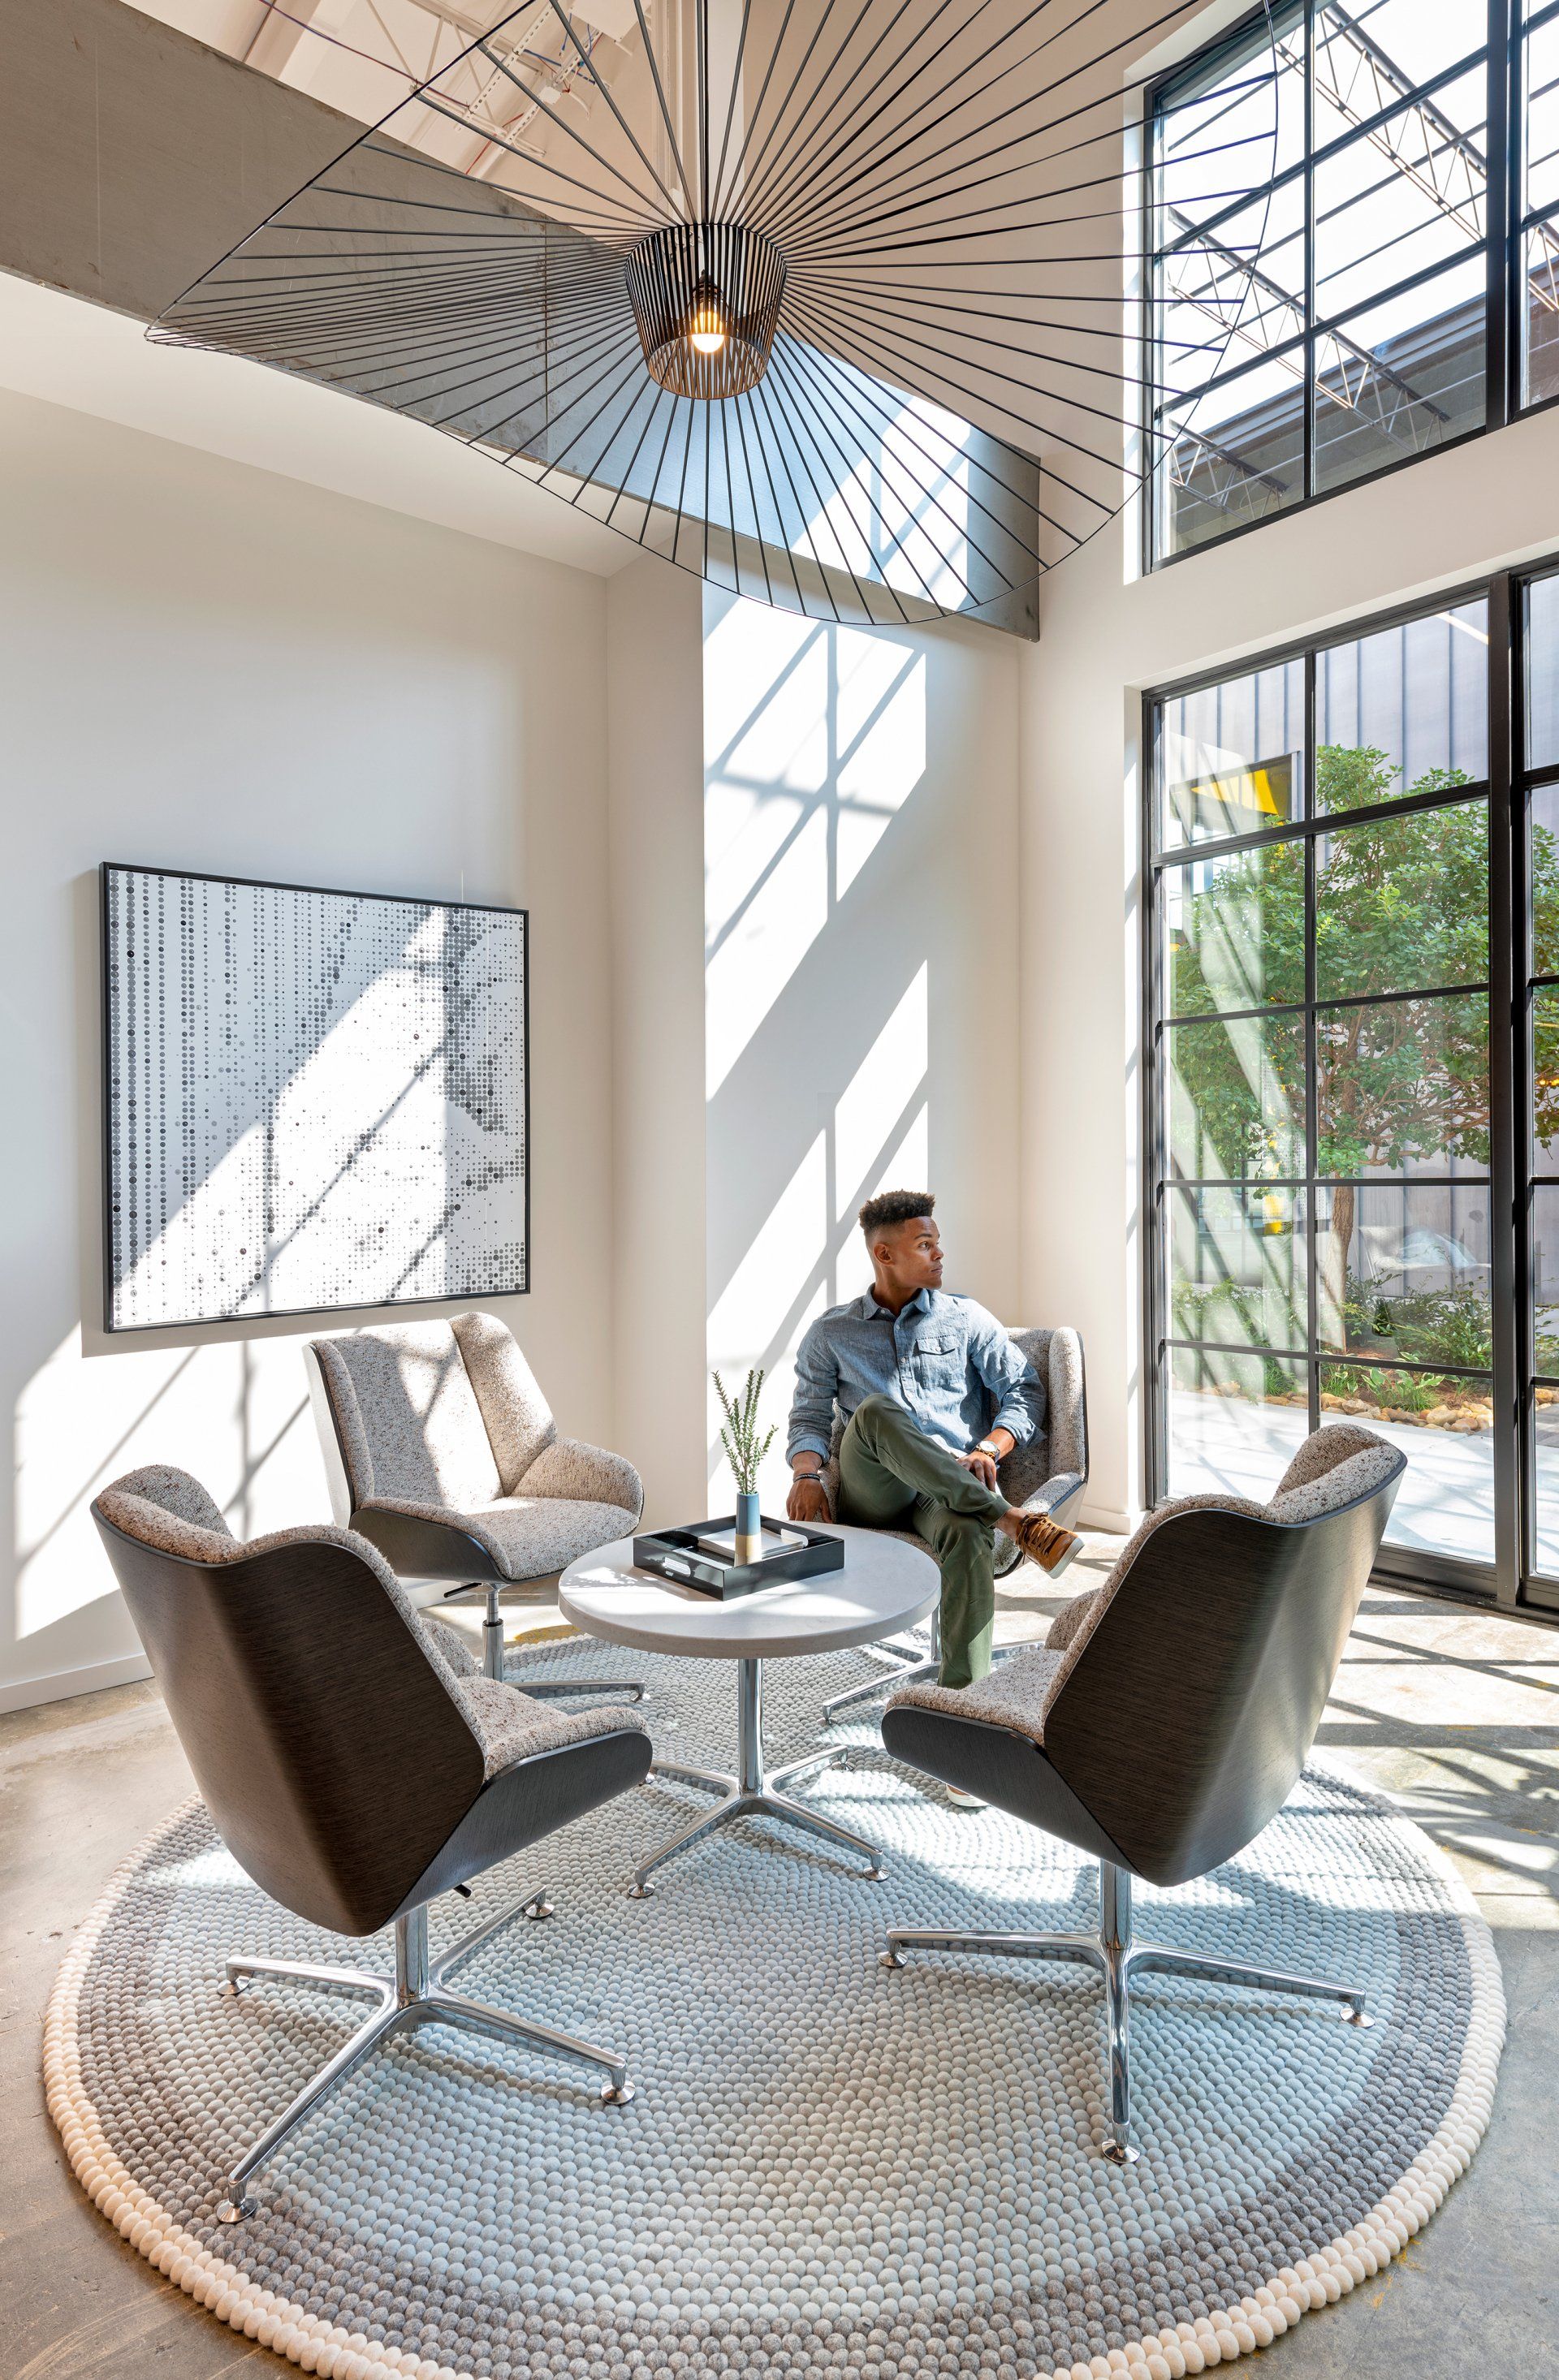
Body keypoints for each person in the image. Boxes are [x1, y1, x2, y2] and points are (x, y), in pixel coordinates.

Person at [785, 1190, 1080, 1692]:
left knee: (968, 1533)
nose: (939, 1254)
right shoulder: (831, 1333)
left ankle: (961, 1704)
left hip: (945, 1488)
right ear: (885, 1255)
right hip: (873, 1489)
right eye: (925, 1245)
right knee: (877, 1411)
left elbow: (1024, 1390)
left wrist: (991, 1447)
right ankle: (1011, 1518)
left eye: (937, 1242)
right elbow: (808, 1418)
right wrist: (807, 1474)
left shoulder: (965, 1318)